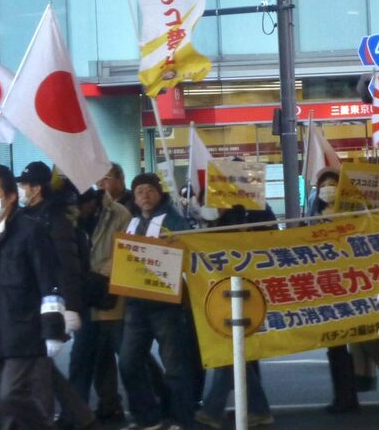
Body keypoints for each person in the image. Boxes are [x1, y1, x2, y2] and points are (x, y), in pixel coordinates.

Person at [0, 163, 67, 430]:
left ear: (10, 196)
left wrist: (53, 330)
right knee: (6, 409)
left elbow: (50, 283)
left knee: (10, 396)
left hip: (25, 332)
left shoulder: (31, 231)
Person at [16, 162, 93, 430]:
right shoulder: (30, 216)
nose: (21, 189)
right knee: (40, 366)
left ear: (37, 188)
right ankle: (79, 414)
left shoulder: (55, 219)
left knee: (38, 366)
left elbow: (68, 265)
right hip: (32, 301)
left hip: (49, 304)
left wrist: (70, 307)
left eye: (24, 185)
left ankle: (46, 420)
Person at [116, 173, 193, 430]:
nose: (144, 196)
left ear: (159, 192)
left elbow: (189, 256)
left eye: (149, 190)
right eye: (139, 192)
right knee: (128, 362)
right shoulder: (133, 222)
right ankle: (148, 417)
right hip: (136, 306)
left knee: (175, 367)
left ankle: (180, 419)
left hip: (166, 307)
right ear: (134, 197)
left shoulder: (175, 221)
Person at [194, 205, 275, 429]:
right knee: (234, 351)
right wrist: (210, 219)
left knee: (231, 351)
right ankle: (257, 409)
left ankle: (213, 409)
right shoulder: (207, 207)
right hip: (216, 288)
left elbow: (272, 237)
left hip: (248, 285)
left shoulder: (255, 207)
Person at [70, 167, 133, 422]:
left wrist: (96, 276)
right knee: (85, 360)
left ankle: (152, 407)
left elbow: (125, 250)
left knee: (129, 359)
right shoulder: (71, 217)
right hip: (85, 299)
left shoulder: (120, 214)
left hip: (112, 296)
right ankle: (80, 413)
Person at [310, 169, 359, 414]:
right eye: (324, 184)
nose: (328, 188)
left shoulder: (354, 214)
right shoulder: (313, 217)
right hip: (328, 287)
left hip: (354, 284)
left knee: (367, 344)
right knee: (336, 345)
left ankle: (351, 394)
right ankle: (344, 396)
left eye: (333, 184)